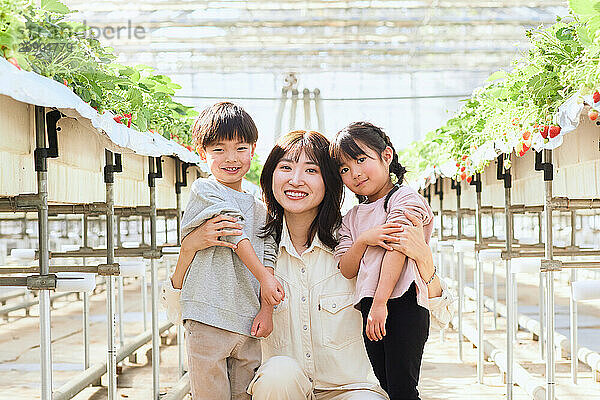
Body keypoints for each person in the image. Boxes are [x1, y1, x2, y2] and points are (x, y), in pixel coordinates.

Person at [182, 130, 455, 400]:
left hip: (350, 390)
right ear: (270, 177)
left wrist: (425, 262)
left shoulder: (355, 240)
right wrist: (189, 247)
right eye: (285, 167)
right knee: (279, 373)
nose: (296, 180)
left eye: (311, 171)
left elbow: (439, 315)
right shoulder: (252, 247)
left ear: (330, 181)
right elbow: (187, 311)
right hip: (285, 392)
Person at [163, 102, 283, 400]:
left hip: (247, 319)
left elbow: (269, 255)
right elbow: (232, 232)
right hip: (207, 315)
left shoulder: (261, 207)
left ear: (253, 149)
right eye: (219, 149)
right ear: (202, 154)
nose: (231, 158)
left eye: (240, 148)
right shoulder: (205, 189)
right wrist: (266, 281)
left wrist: (266, 308)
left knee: (245, 395)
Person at [331, 121, 437, 400]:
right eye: (344, 169)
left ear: (386, 156)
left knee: (403, 388)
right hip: (371, 306)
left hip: (403, 303)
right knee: (388, 386)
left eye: (361, 159)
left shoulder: (404, 198)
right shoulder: (352, 218)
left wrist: (380, 303)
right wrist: (365, 239)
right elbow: (346, 268)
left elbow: (398, 248)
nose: (354, 172)